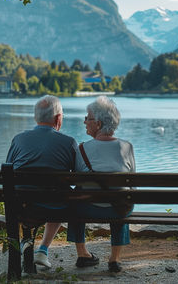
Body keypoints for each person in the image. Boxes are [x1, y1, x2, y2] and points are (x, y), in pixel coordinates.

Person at [6, 95, 78, 269]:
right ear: (58, 118)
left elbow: (8, 171)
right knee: (62, 193)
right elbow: (78, 176)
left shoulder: (18, 140)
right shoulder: (68, 143)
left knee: (32, 192)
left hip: (22, 206)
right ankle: (43, 249)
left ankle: (26, 243)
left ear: (36, 117)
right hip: (56, 207)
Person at [67, 96, 135, 273]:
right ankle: (115, 259)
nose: (84, 122)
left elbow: (75, 181)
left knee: (75, 199)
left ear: (97, 124)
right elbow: (133, 186)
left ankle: (82, 254)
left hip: (87, 209)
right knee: (123, 196)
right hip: (117, 210)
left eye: (87, 118)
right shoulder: (127, 147)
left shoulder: (81, 149)